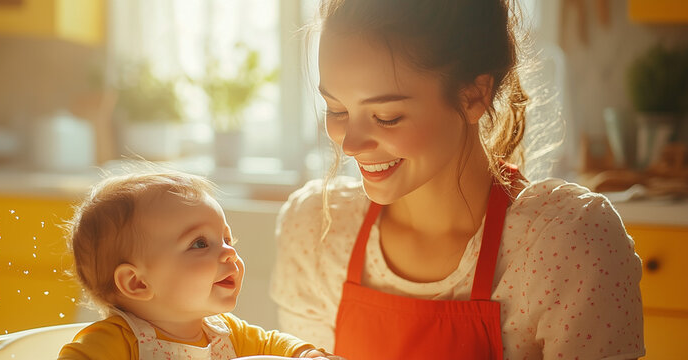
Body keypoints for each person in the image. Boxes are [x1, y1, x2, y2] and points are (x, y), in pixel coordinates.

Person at [270, 0, 645, 359]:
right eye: (336, 109)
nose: (350, 144)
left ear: (473, 95)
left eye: (386, 116)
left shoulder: (567, 245)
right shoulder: (317, 232)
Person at [58, 170, 340, 359]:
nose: (229, 252)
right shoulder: (112, 343)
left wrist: (305, 354)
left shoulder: (226, 333)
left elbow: (271, 344)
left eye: (227, 239)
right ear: (137, 282)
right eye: (200, 244)